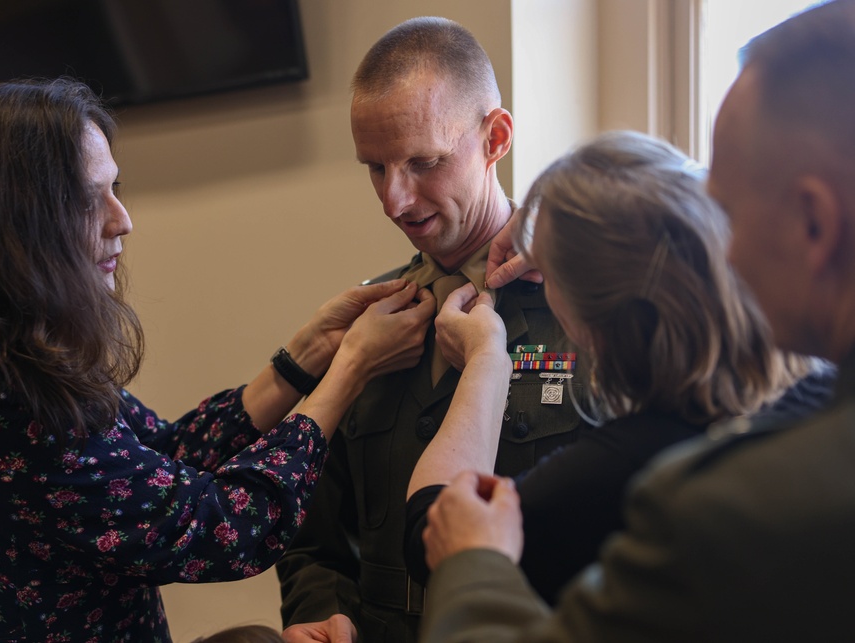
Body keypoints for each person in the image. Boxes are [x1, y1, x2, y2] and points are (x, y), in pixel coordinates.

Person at [0, 78, 435, 643]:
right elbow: (225, 527)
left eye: (116, 188)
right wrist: (348, 373)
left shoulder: (2, 358)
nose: (123, 220)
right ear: (12, 228)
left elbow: (164, 456)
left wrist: (309, 352)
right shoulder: (11, 408)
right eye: (90, 200)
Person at [418, 1, 855, 641]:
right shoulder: (812, 399)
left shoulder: (717, 510)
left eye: (729, 213)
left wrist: (472, 564)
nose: (721, 252)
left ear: (814, 223)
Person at [404, 129, 821, 606]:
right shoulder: (820, 397)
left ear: (592, 326)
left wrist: (485, 362)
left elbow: (432, 534)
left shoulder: (620, 473)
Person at [275, 17, 587, 643]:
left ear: (495, 137)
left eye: (424, 162)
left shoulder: (583, 304)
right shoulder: (368, 323)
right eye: (375, 167)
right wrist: (320, 607)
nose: (394, 199)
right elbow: (312, 537)